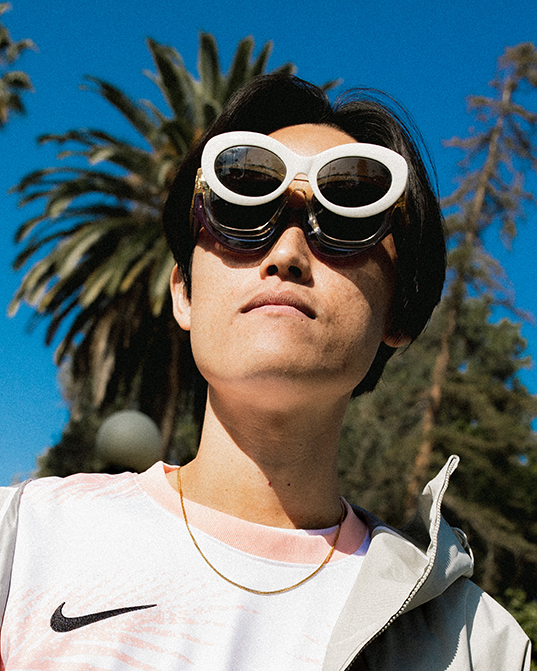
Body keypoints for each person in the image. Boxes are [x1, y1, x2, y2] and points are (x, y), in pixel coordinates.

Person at [0, 74, 530, 670]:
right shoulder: (20, 543)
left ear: (399, 314)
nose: (286, 253)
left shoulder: (477, 645)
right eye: (243, 202)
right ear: (184, 292)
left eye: (349, 216)